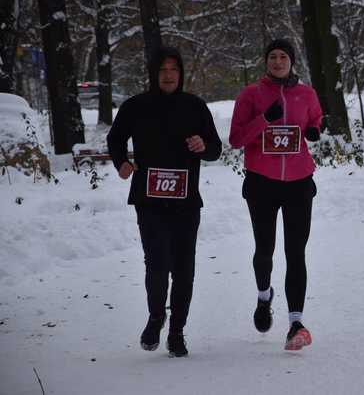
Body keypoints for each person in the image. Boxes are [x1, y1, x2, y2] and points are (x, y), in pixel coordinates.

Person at [107, 46, 222, 357]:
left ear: (181, 73)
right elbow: (115, 138)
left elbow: (215, 148)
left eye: (173, 69)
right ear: (154, 74)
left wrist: (203, 145)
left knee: (184, 269)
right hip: (149, 199)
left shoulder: (195, 106)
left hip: (186, 201)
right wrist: (122, 163)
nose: (168, 75)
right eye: (163, 70)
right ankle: (157, 316)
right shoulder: (136, 106)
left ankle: (177, 332)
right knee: (157, 264)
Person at [229, 38, 322, 351]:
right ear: (266, 61)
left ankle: (296, 322)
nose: (278, 61)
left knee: (296, 252)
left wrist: (315, 130)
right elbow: (236, 139)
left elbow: (316, 119)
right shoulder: (251, 94)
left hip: (298, 182)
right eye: (273, 56)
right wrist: (265, 119)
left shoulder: (307, 93)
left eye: (283, 56)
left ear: (291, 61)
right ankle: (263, 296)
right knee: (265, 250)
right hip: (262, 183)